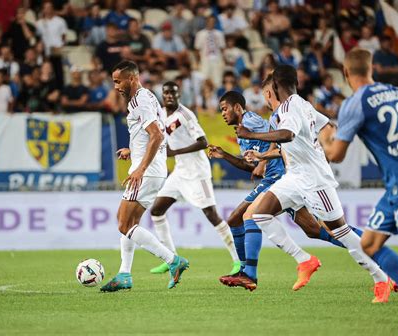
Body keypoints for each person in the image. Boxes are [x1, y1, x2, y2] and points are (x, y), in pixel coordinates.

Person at [235, 65, 394, 300]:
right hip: (295, 177)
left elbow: (287, 135)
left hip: (314, 180)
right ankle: (305, 260)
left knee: (340, 231)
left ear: (275, 87)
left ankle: (381, 278)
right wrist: (264, 155)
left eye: (269, 89)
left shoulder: (289, 109)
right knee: (259, 214)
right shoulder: (302, 105)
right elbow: (325, 125)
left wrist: (251, 135)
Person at [320, 48, 398, 329]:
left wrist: (324, 141)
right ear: (371, 69)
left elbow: (337, 154)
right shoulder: (395, 92)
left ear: (345, 72)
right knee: (369, 243)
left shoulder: (354, 103)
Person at [208, 91, 320, 291]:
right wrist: (224, 155)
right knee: (315, 230)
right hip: (276, 180)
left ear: (237, 107)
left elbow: (276, 134)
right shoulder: (242, 133)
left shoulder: (251, 121)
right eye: (221, 110)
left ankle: (247, 272)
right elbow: (248, 166)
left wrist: (265, 157)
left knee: (240, 217)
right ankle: (362, 248)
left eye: (225, 109)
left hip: (276, 179)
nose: (223, 113)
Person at [100, 61, 189, 292]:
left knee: (123, 222)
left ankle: (173, 261)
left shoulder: (139, 100)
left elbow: (157, 135)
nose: (116, 86)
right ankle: (124, 274)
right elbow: (154, 134)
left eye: (118, 81)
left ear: (131, 78)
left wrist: (140, 167)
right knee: (130, 223)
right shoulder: (148, 97)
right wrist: (134, 151)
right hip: (154, 169)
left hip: (146, 172)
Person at [148, 82, 240, 275]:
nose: (169, 96)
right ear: (162, 95)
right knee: (156, 210)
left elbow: (203, 142)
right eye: (166, 93)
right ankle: (171, 258)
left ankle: (238, 261)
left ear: (179, 95)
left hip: (198, 172)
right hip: (180, 172)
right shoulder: (161, 114)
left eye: (173, 93)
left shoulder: (185, 115)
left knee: (211, 215)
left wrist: (174, 152)